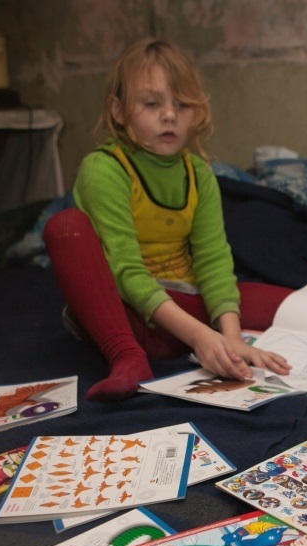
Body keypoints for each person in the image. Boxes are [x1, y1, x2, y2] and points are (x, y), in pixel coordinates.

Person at [43, 38, 290, 401]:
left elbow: (214, 261)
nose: (170, 115)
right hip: (125, 312)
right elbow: (125, 271)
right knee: (64, 227)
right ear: (118, 111)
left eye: (182, 104)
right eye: (151, 103)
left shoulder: (199, 174)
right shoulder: (103, 169)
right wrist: (202, 336)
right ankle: (126, 357)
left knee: (294, 304)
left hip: (183, 307)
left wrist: (233, 341)